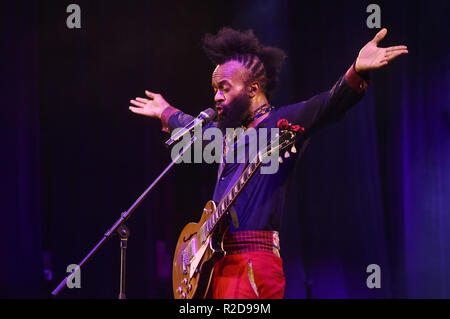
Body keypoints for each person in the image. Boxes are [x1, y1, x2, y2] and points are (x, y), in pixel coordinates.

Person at [128, 27, 407, 299]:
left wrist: (356, 71)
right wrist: (166, 111)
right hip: (217, 267)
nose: (216, 97)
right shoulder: (231, 138)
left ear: (252, 88)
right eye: (214, 89)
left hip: (252, 265)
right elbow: (196, 130)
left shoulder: (280, 125)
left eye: (224, 88)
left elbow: (328, 104)